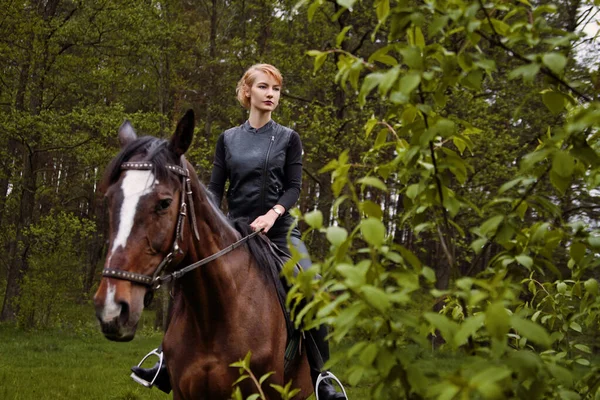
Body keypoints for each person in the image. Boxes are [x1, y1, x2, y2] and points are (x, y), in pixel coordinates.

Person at [131, 64, 346, 400]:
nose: (271, 95)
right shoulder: (228, 139)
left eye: (276, 89)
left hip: (278, 230)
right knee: (189, 274)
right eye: (264, 87)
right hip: (234, 229)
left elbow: (293, 188)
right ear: (248, 92)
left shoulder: (289, 138)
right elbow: (216, 188)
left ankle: (321, 376)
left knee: (311, 286)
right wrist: (210, 222)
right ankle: (163, 358)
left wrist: (273, 214)